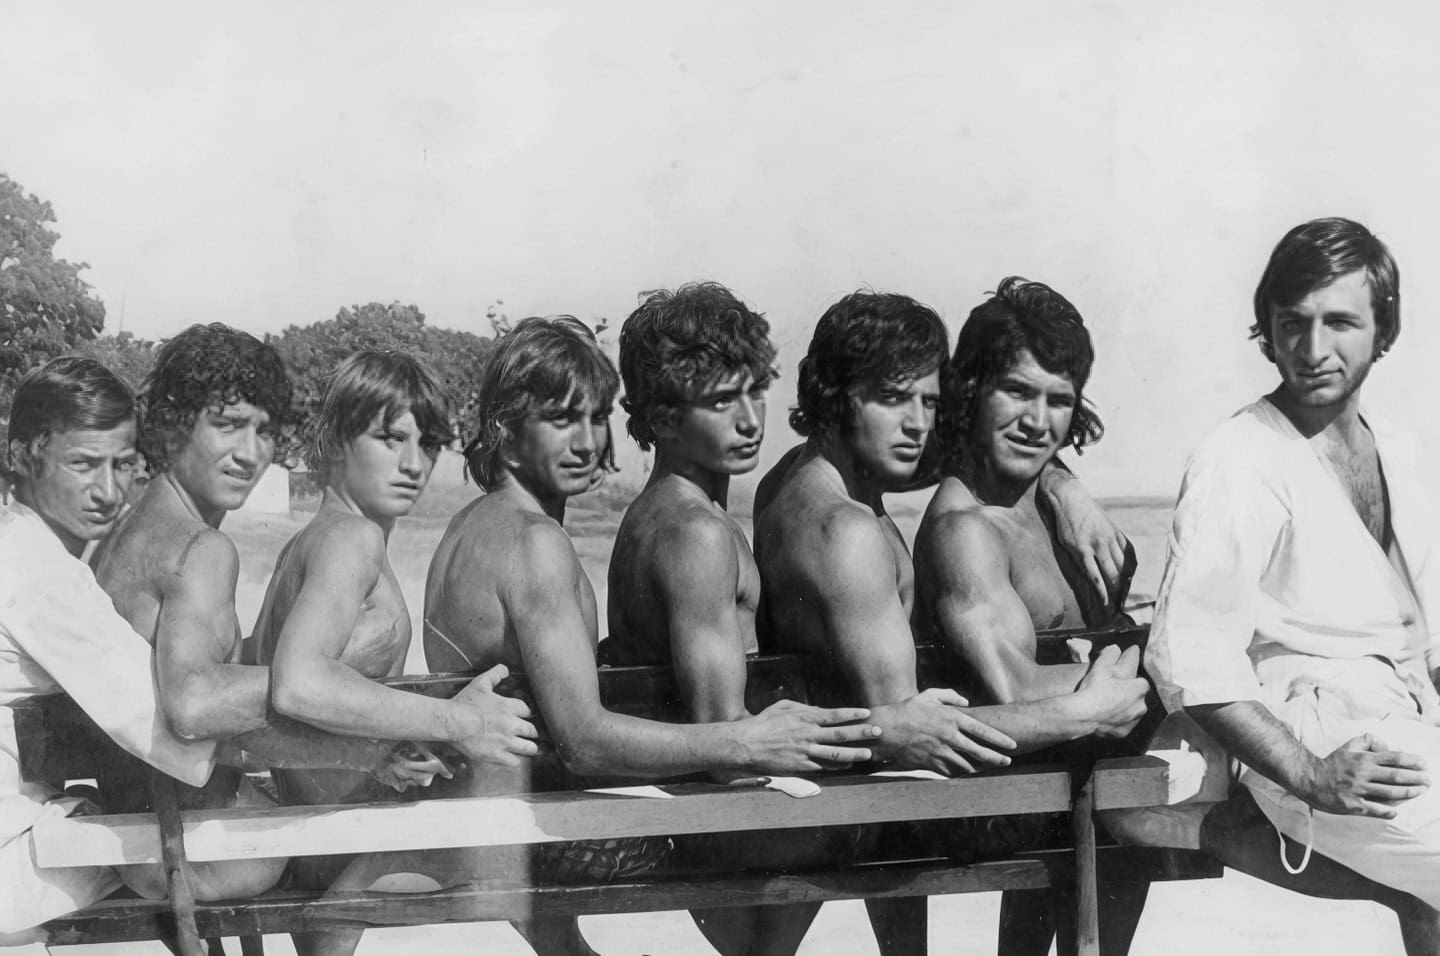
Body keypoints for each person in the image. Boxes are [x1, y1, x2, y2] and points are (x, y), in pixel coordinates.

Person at [421, 315, 880, 956]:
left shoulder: (470, 524)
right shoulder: (534, 543)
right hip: (544, 835)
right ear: (506, 430)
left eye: (595, 418)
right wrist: (745, 740)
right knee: (847, 820)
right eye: (561, 420)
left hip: (504, 816)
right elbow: (583, 742)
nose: (587, 442)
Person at [753, 290, 1150, 955]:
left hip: (863, 796)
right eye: (893, 398)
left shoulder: (798, 482)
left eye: (930, 403)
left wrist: (1063, 484)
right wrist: (1098, 703)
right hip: (881, 809)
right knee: (1135, 777)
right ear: (835, 397)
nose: (918, 425)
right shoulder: (846, 531)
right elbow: (910, 735)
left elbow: (995, 441)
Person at [89, 325, 536, 904]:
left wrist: (372, 738)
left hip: (151, 831)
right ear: (172, 423)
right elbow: (199, 704)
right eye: (228, 425)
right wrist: (453, 721)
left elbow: (219, 710)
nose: (250, 454)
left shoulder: (130, 532)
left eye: (264, 432)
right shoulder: (204, 548)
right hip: (197, 849)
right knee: (513, 843)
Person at [1146, 217, 1440, 953]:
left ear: (1383, 330)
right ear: (1268, 331)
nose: (1312, 350)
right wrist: (1309, 774)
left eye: (1339, 322)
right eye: (1292, 324)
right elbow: (1190, 656)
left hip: (1412, 716)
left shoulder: (1401, 450)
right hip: (1318, 734)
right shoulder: (1239, 459)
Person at [247, 349, 538, 956]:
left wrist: (393, 740)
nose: (414, 464)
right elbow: (298, 683)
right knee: (538, 831)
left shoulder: (307, 542)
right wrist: (456, 720)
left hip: (324, 834)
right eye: (390, 438)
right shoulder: (350, 540)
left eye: (428, 444)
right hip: (347, 839)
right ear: (336, 439)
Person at [607, 282, 854, 956]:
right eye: (721, 401)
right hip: (721, 819)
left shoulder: (664, 513)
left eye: (755, 392)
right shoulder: (696, 534)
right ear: (661, 419)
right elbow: (727, 745)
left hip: (700, 811)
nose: (750, 421)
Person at [913, 277, 1147, 955]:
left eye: (1059, 400)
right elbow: (1013, 688)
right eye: (1017, 392)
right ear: (971, 391)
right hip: (1010, 799)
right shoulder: (965, 531)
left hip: (1074, 785)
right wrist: (1159, 663)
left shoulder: (1041, 496)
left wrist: (1064, 481)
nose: (1038, 422)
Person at [0, 357, 217, 943]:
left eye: (122, 465)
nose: (108, 490)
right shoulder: (38, 570)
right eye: (82, 463)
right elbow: (169, 718)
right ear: (21, 456)